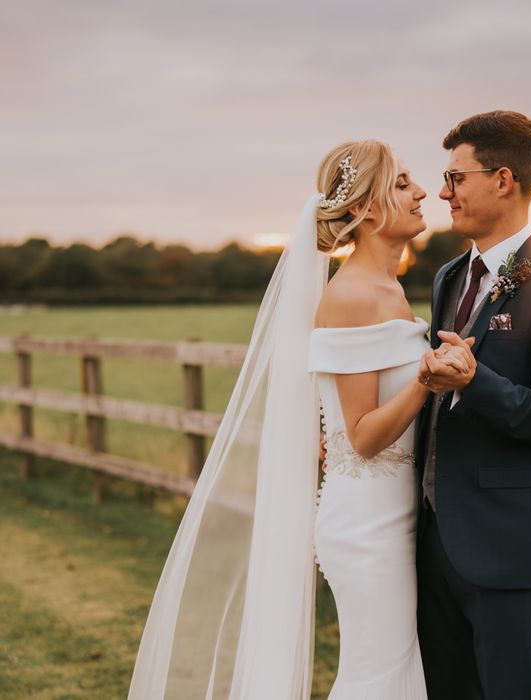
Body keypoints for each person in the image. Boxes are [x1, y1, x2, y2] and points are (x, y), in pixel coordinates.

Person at [128, 139, 467, 698]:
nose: (423, 191)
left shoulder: (387, 288)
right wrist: (427, 381)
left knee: (391, 671)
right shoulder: (355, 295)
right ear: (366, 208)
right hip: (366, 525)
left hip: (392, 515)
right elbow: (361, 438)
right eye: (403, 183)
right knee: (376, 677)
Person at [414, 110, 531, 699]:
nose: (444, 193)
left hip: (506, 549)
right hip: (430, 538)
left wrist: (477, 385)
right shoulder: (449, 276)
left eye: (456, 178)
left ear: (503, 180)